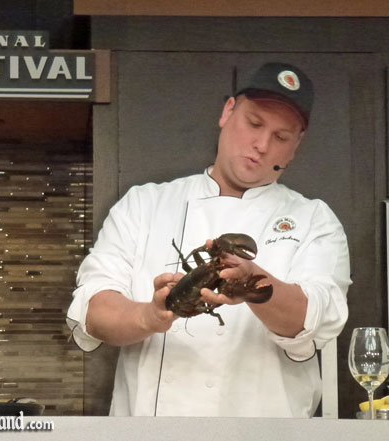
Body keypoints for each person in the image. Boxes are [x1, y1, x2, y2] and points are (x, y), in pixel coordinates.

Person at [66, 62, 351, 417]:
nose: (261, 145)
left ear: (295, 147)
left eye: (281, 137)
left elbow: (317, 319)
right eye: (255, 123)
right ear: (228, 111)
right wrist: (150, 315)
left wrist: (254, 283)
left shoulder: (314, 220)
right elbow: (94, 309)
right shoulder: (144, 204)